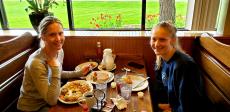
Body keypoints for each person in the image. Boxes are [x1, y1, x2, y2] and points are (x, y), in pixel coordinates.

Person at [17, 16, 91, 112]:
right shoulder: (36, 63)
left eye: (60, 33)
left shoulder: (59, 51)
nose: (58, 39)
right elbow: (52, 101)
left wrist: (79, 73)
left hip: (50, 98)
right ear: (43, 37)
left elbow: (57, 74)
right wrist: (55, 68)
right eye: (52, 35)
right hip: (34, 108)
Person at [150, 21, 208, 112]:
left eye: (162, 39)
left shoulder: (185, 66)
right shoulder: (162, 58)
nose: (156, 44)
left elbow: (190, 106)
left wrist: (172, 109)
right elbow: (161, 87)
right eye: (154, 39)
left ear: (172, 40)